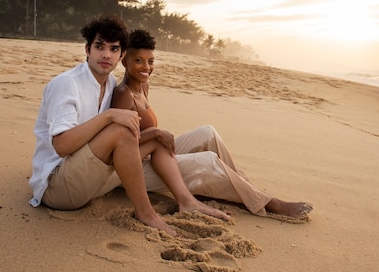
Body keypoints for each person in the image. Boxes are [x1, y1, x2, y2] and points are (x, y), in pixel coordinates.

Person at [29, 16, 229, 237]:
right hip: (58, 188)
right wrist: (110, 116)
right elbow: (62, 146)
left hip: (92, 180)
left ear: (121, 55)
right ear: (87, 49)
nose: (106, 54)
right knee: (121, 129)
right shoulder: (67, 84)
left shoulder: (110, 84)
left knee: (158, 137)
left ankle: (186, 201)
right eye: (99, 47)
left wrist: (149, 131)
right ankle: (147, 214)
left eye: (113, 49)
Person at [111, 29, 313, 218]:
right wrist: (155, 134)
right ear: (124, 60)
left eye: (150, 61)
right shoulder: (123, 95)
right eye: (138, 60)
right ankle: (269, 203)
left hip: (155, 155)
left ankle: (248, 189)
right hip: (133, 168)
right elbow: (119, 145)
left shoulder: (143, 85)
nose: (146, 67)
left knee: (208, 133)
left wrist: (155, 135)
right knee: (208, 161)